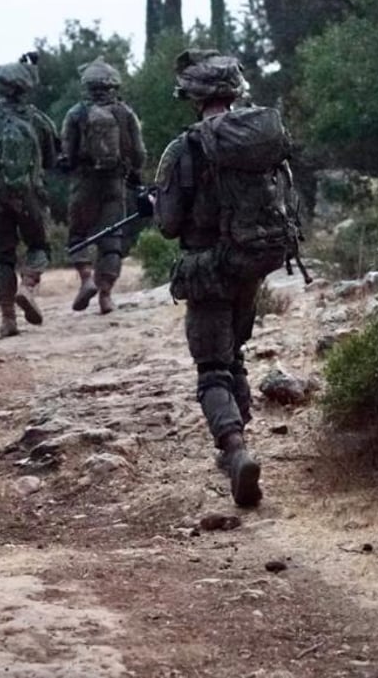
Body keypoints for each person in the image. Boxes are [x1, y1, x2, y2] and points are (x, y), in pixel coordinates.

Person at [153, 50, 298, 507]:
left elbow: (169, 224)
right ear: (235, 93)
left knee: (212, 369)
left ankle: (235, 451)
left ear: (193, 98)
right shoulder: (261, 141)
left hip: (207, 271)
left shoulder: (185, 148)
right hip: (251, 264)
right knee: (234, 354)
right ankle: (238, 446)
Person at [0, 54, 60, 337]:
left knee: (2, 256)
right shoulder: (39, 121)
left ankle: (7, 318)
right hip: (30, 196)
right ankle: (29, 285)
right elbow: (50, 160)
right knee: (38, 246)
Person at [60, 57, 146, 314]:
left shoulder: (76, 113)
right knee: (112, 237)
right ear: (113, 84)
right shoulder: (125, 113)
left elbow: (68, 150)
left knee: (78, 234)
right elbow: (139, 152)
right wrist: (134, 173)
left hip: (84, 181)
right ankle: (106, 295)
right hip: (114, 183)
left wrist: (71, 166)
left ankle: (86, 278)